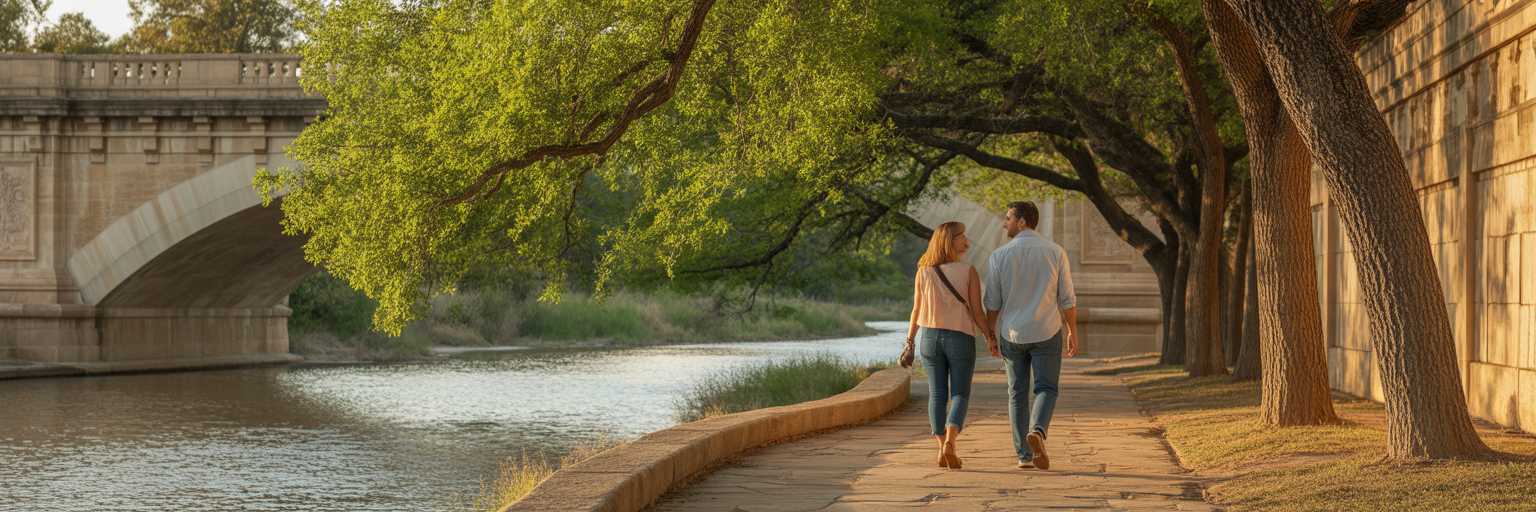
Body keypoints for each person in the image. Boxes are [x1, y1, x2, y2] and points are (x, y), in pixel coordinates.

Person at [984, 201, 1079, 470]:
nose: (1004, 223)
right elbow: (1067, 298)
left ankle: (1024, 456)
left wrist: (991, 335)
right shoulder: (1055, 252)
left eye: (1008, 218)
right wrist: (1073, 331)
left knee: (1016, 393)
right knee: (1046, 388)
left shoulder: (999, 255)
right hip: (1046, 330)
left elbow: (992, 303)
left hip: (1012, 334)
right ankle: (1037, 432)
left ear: (1022, 222)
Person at [905, 221, 997, 470]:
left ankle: (940, 448)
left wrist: (910, 341)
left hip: (929, 338)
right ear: (950, 240)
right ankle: (950, 443)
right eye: (962, 237)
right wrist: (990, 337)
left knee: (936, 394)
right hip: (960, 338)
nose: (966, 242)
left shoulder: (923, 270)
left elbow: (916, 311)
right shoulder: (968, 271)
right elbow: (978, 313)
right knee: (959, 394)